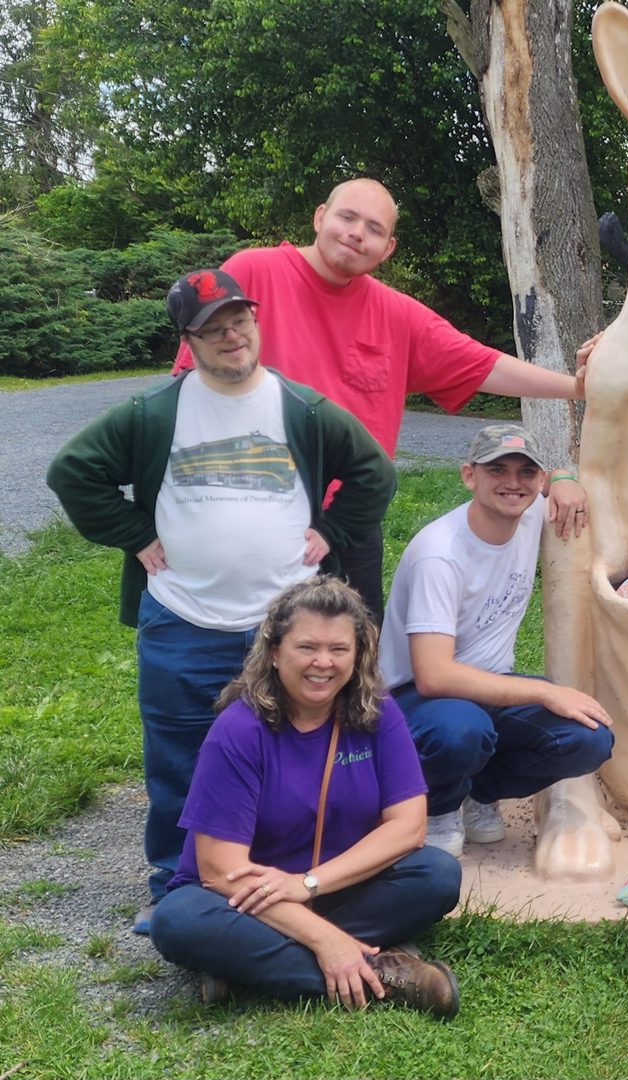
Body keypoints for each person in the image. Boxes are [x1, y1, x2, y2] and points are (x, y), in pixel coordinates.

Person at [47, 269, 394, 933]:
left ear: (255, 323)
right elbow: (72, 472)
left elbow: (373, 473)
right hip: (183, 621)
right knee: (180, 761)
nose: (232, 335)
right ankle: (176, 895)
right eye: (213, 326)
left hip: (281, 626)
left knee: (287, 757)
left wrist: (331, 530)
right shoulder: (153, 415)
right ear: (189, 339)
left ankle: (280, 884)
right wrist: (134, 533)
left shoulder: (302, 410)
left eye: (240, 319)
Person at [172, 177, 590, 620]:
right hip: (249, 510)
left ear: (387, 248)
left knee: (346, 659)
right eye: (347, 217)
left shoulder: (397, 314)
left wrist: (578, 388)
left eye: (373, 228)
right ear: (320, 217)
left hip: (349, 519)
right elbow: (188, 386)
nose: (356, 233)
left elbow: (484, 364)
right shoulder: (254, 272)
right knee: (247, 654)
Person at [150, 578, 462, 1015]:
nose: (323, 663)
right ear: (275, 652)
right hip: (245, 901)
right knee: (178, 921)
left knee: (437, 873)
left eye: (339, 649)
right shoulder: (239, 730)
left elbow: (408, 827)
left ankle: (248, 966)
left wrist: (307, 884)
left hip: (332, 884)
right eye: (307, 647)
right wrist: (325, 939)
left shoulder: (378, 713)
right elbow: (221, 872)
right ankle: (384, 976)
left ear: (358, 655)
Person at [379, 423, 615, 857]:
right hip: (413, 699)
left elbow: (568, 481)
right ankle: (439, 804)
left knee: (591, 738)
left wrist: (563, 479)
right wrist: (545, 691)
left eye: (527, 472)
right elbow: (432, 675)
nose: (513, 483)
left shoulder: (528, 517)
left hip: (488, 685)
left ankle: (476, 791)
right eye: (497, 470)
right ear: (469, 475)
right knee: (462, 731)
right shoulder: (440, 554)